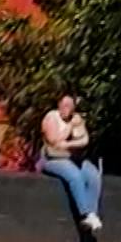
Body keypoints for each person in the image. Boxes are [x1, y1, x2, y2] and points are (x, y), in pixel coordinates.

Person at [39, 94, 103, 231]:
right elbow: (54, 142)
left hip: (73, 158)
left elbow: (84, 140)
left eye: (69, 105)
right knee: (74, 175)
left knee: (93, 175)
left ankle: (92, 215)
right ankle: (84, 213)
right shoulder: (51, 117)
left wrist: (67, 144)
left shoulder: (76, 119)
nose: (66, 108)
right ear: (59, 105)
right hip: (53, 159)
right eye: (64, 104)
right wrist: (70, 128)